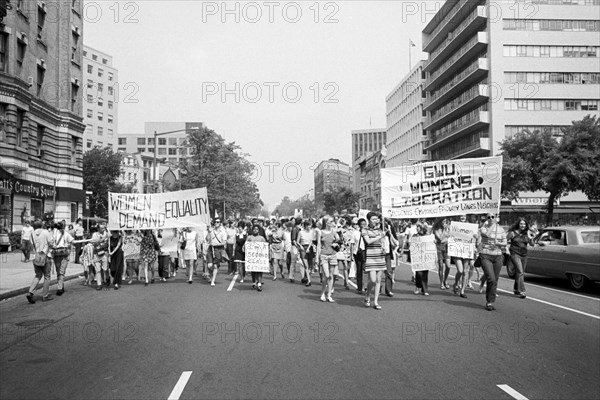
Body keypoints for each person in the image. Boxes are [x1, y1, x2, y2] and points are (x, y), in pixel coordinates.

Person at [480, 213, 508, 311]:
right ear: (486, 219)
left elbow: (505, 242)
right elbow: (486, 234)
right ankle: (489, 300)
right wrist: (493, 225)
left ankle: (490, 302)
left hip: (498, 256)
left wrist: (498, 243)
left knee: (495, 279)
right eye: (489, 217)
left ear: (496, 217)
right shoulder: (483, 228)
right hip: (485, 255)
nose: (491, 218)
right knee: (491, 278)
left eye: (493, 217)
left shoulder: (501, 229)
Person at [25, 220, 54, 303]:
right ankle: (45, 295)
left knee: (38, 275)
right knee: (47, 276)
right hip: (45, 256)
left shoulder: (32, 234)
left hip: (36, 257)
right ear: (41, 225)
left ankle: (30, 292)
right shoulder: (45, 232)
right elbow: (51, 243)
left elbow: (31, 245)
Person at [507, 218, 536, 299]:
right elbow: (505, 241)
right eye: (521, 224)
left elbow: (532, 244)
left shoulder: (527, 233)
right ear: (518, 225)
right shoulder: (512, 233)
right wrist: (507, 249)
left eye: (524, 224)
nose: (522, 225)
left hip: (524, 255)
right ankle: (522, 291)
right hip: (514, 254)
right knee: (520, 271)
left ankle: (516, 289)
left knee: (520, 272)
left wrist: (531, 238)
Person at [362, 212, 387, 310]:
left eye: (376, 219)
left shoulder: (380, 229)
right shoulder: (365, 230)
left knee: (378, 280)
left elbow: (382, 241)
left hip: (380, 256)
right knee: (372, 280)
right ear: (368, 220)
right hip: (371, 256)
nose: (375, 221)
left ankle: (376, 301)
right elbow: (368, 241)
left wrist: (384, 246)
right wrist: (380, 236)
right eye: (373, 219)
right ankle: (367, 296)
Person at [451, 214, 478, 298]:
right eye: (461, 216)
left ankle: (462, 291)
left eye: (464, 216)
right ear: (459, 217)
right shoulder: (455, 226)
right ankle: (455, 284)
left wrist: (476, 238)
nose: (463, 218)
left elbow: (475, 238)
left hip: (466, 251)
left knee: (465, 271)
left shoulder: (470, 227)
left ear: (466, 217)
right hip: (457, 252)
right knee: (460, 270)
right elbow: (451, 237)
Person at [317, 216, 340, 302]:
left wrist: (336, 243)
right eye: (331, 221)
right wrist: (317, 257)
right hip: (324, 256)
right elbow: (318, 245)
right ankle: (323, 292)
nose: (332, 223)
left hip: (333, 255)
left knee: (331, 276)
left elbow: (339, 240)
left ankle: (329, 295)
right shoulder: (320, 232)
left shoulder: (334, 232)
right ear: (326, 223)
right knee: (326, 276)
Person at [52, 222, 74, 296]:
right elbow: (72, 241)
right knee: (60, 271)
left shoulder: (54, 233)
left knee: (60, 271)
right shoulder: (62, 233)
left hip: (58, 254)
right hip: (63, 254)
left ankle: (60, 287)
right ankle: (60, 285)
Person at [245, 225, 267, 291]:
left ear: (259, 230)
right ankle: (254, 281)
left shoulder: (262, 238)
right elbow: (245, 246)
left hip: (259, 257)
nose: (255, 230)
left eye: (257, 229)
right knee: (253, 270)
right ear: (252, 230)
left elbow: (265, 247)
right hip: (252, 257)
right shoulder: (249, 237)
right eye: (254, 229)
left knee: (259, 270)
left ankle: (259, 283)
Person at [206, 218, 228, 287]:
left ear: (220, 223)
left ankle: (213, 280)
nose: (216, 223)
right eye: (215, 222)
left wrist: (216, 244)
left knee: (215, 266)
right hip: (211, 248)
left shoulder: (223, 231)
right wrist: (209, 232)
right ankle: (211, 275)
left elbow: (224, 242)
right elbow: (207, 239)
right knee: (210, 265)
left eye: (218, 222)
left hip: (218, 249)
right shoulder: (211, 230)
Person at [433, 217, 451, 290]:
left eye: (445, 221)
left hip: (447, 247)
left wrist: (448, 230)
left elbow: (451, 236)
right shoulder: (436, 229)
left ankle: (445, 280)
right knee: (441, 266)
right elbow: (440, 238)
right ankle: (441, 283)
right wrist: (444, 230)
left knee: (448, 266)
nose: (444, 223)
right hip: (439, 247)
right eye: (443, 221)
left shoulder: (448, 228)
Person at [382, 218, 398, 297]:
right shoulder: (378, 234)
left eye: (386, 227)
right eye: (384, 227)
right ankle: (377, 288)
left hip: (388, 255)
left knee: (389, 272)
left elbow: (396, 243)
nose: (386, 229)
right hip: (379, 255)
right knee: (378, 274)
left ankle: (388, 290)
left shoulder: (389, 235)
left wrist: (390, 234)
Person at [413, 222, 431, 295]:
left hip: (426, 257)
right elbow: (412, 246)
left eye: (418, 227)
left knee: (425, 274)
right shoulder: (415, 236)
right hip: (418, 257)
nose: (417, 228)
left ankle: (425, 290)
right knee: (418, 273)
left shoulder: (427, 236)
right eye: (417, 227)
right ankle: (417, 286)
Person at [91, 224, 110, 290]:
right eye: (102, 228)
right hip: (97, 254)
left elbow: (110, 236)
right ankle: (99, 284)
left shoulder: (107, 234)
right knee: (98, 270)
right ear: (98, 229)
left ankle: (107, 277)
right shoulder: (94, 234)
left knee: (105, 269)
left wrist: (107, 231)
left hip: (104, 253)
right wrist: (99, 240)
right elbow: (93, 242)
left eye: (104, 228)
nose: (103, 229)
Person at [352, 218, 367, 294]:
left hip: (366, 252)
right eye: (362, 224)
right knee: (359, 270)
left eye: (365, 224)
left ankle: (366, 286)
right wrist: (351, 254)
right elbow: (352, 243)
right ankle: (360, 287)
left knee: (366, 270)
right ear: (359, 225)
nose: (363, 226)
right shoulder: (355, 233)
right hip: (358, 252)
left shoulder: (368, 232)